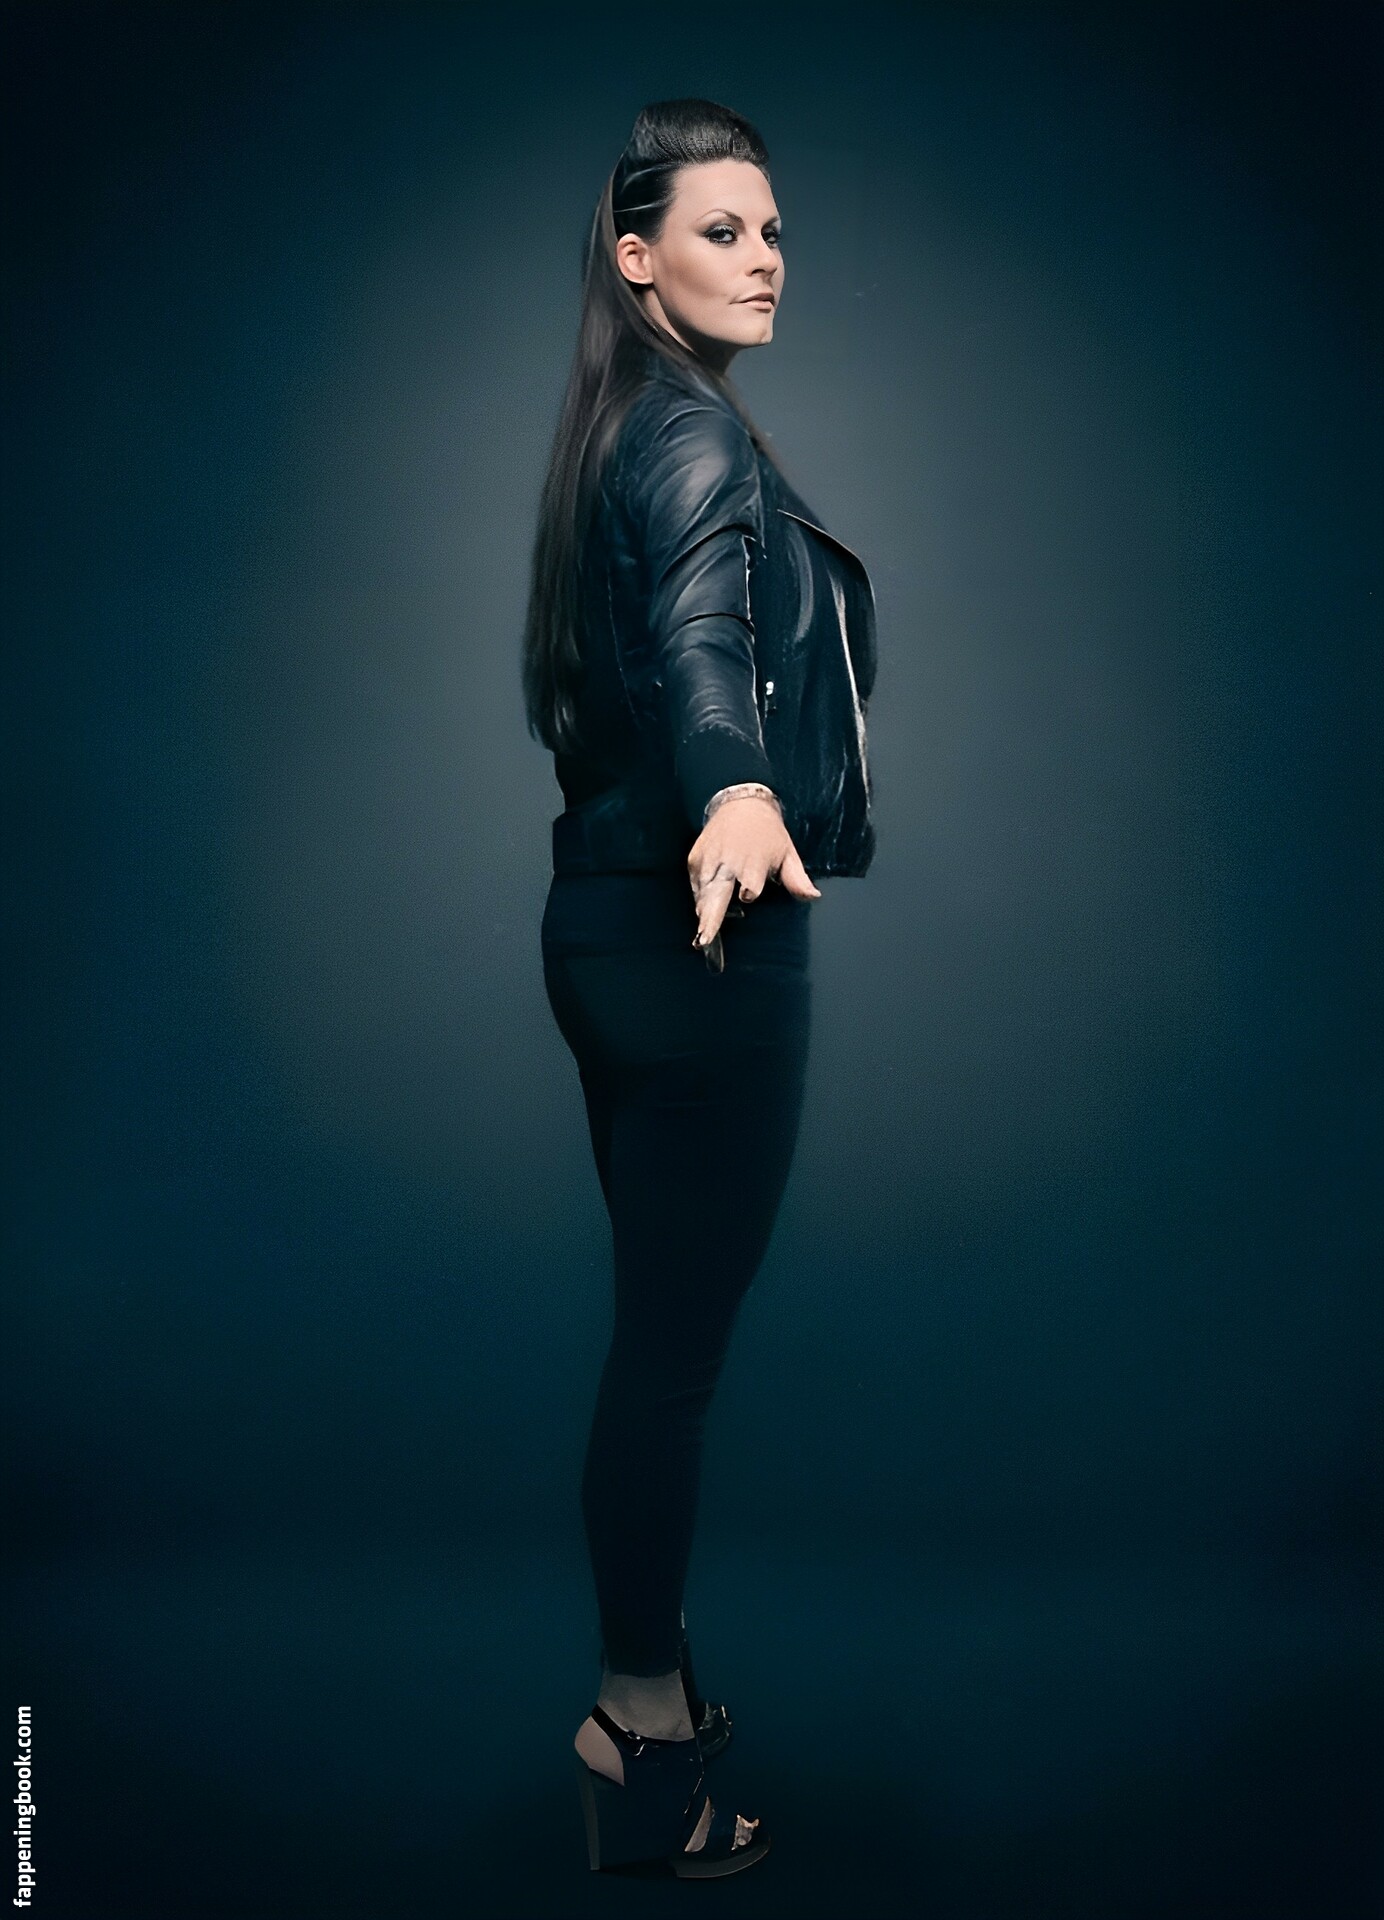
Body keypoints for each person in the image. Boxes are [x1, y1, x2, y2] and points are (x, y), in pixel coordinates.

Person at [522, 96, 877, 1878]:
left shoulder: (622, 425)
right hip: (701, 936)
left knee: (654, 1348)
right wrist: (737, 791)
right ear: (635, 255)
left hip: (606, 928)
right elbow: (702, 641)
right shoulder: (688, 438)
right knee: (669, 1361)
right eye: (722, 230)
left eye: (775, 230)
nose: (764, 259)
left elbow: (670, 644)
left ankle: (639, 1702)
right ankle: (640, 1734)